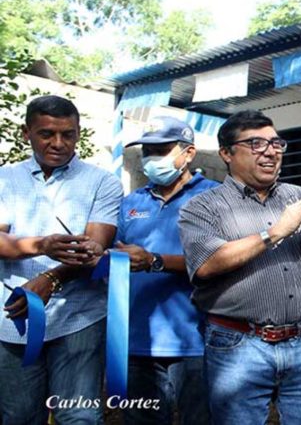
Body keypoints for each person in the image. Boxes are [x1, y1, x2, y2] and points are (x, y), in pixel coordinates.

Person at [178, 110, 301, 425]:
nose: (270, 151)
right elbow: (205, 264)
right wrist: (276, 232)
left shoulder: (300, 197)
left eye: (276, 143)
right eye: (255, 144)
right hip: (238, 345)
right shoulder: (202, 206)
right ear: (226, 154)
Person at [0, 95, 122, 424]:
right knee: (19, 416)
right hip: (14, 316)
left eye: (68, 134)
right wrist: (43, 244)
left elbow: (94, 248)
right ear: (27, 132)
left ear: (78, 133)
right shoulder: (5, 179)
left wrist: (49, 279)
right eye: (47, 134)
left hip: (79, 315)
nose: (58, 143)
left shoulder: (103, 182)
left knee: (79, 416)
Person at [116, 116, 216, 424]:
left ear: (188, 153)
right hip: (136, 340)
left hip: (196, 341)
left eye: (162, 150)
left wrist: (155, 260)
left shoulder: (215, 196)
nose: (152, 159)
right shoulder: (131, 202)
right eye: (148, 151)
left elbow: (224, 260)